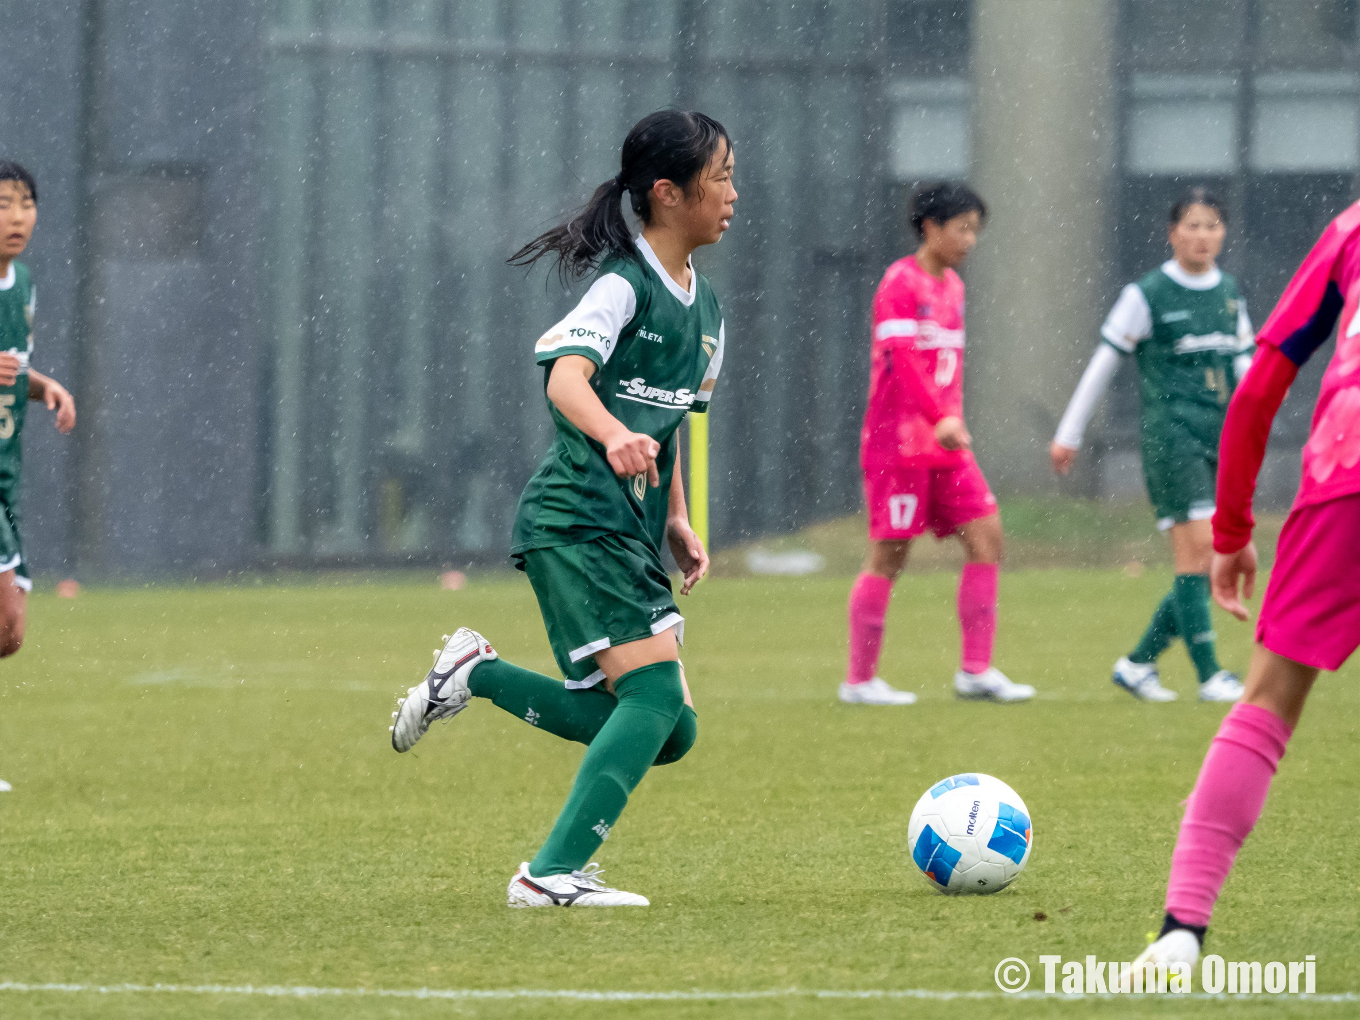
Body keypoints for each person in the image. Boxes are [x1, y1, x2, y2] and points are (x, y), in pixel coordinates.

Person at [387, 111, 734, 907]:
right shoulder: (623, 283)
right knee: (651, 698)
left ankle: (478, 674)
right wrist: (613, 436)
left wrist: (676, 518)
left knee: (670, 730)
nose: (733, 194)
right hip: (577, 518)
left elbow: (667, 421)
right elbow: (565, 379)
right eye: (720, 177)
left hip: (628, 529)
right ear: (667, 193)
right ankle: (549, 874)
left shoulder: (707, 310)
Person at [1127, 197, 1360, 976]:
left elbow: (1261, 388)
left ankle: (1181, 932)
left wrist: (1231, 533)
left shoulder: (1351, 226)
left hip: (1344, 476)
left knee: (1264, 707)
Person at [1052, 188, 1253, 702]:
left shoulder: (1230, 292)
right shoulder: (1147, 294)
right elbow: (1103, 362)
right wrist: (1069, 433)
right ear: (1172, 233)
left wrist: (1256, 423)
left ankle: (1138, 664)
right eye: (1193, 225)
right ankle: (1210, 675)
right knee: (1203, 551)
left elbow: (1247, 369)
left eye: (1212, 225)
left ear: (1223, 233)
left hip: (1220, 438)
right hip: (1172, 437)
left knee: (1206, 560)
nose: (1203, 235)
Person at [842, 181, 1033, 706]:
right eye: (963, 228)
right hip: (897, 445)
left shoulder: (953, 287)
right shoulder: (899, 283)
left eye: (976, 230)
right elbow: (902, 364)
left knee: (988, 536)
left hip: (946, 444)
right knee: (888, 556)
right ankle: (859, 681)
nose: (970, 240)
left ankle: (976, 671)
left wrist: (948, 422)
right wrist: (939, 417)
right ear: (931, 227)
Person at [0, 161, 77, 793]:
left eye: (25, 203)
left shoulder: (22, 283)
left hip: (6, 478)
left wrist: (44, 385)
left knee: (10, 633)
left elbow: (10, 374)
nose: (16, 217)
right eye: (2, 204)